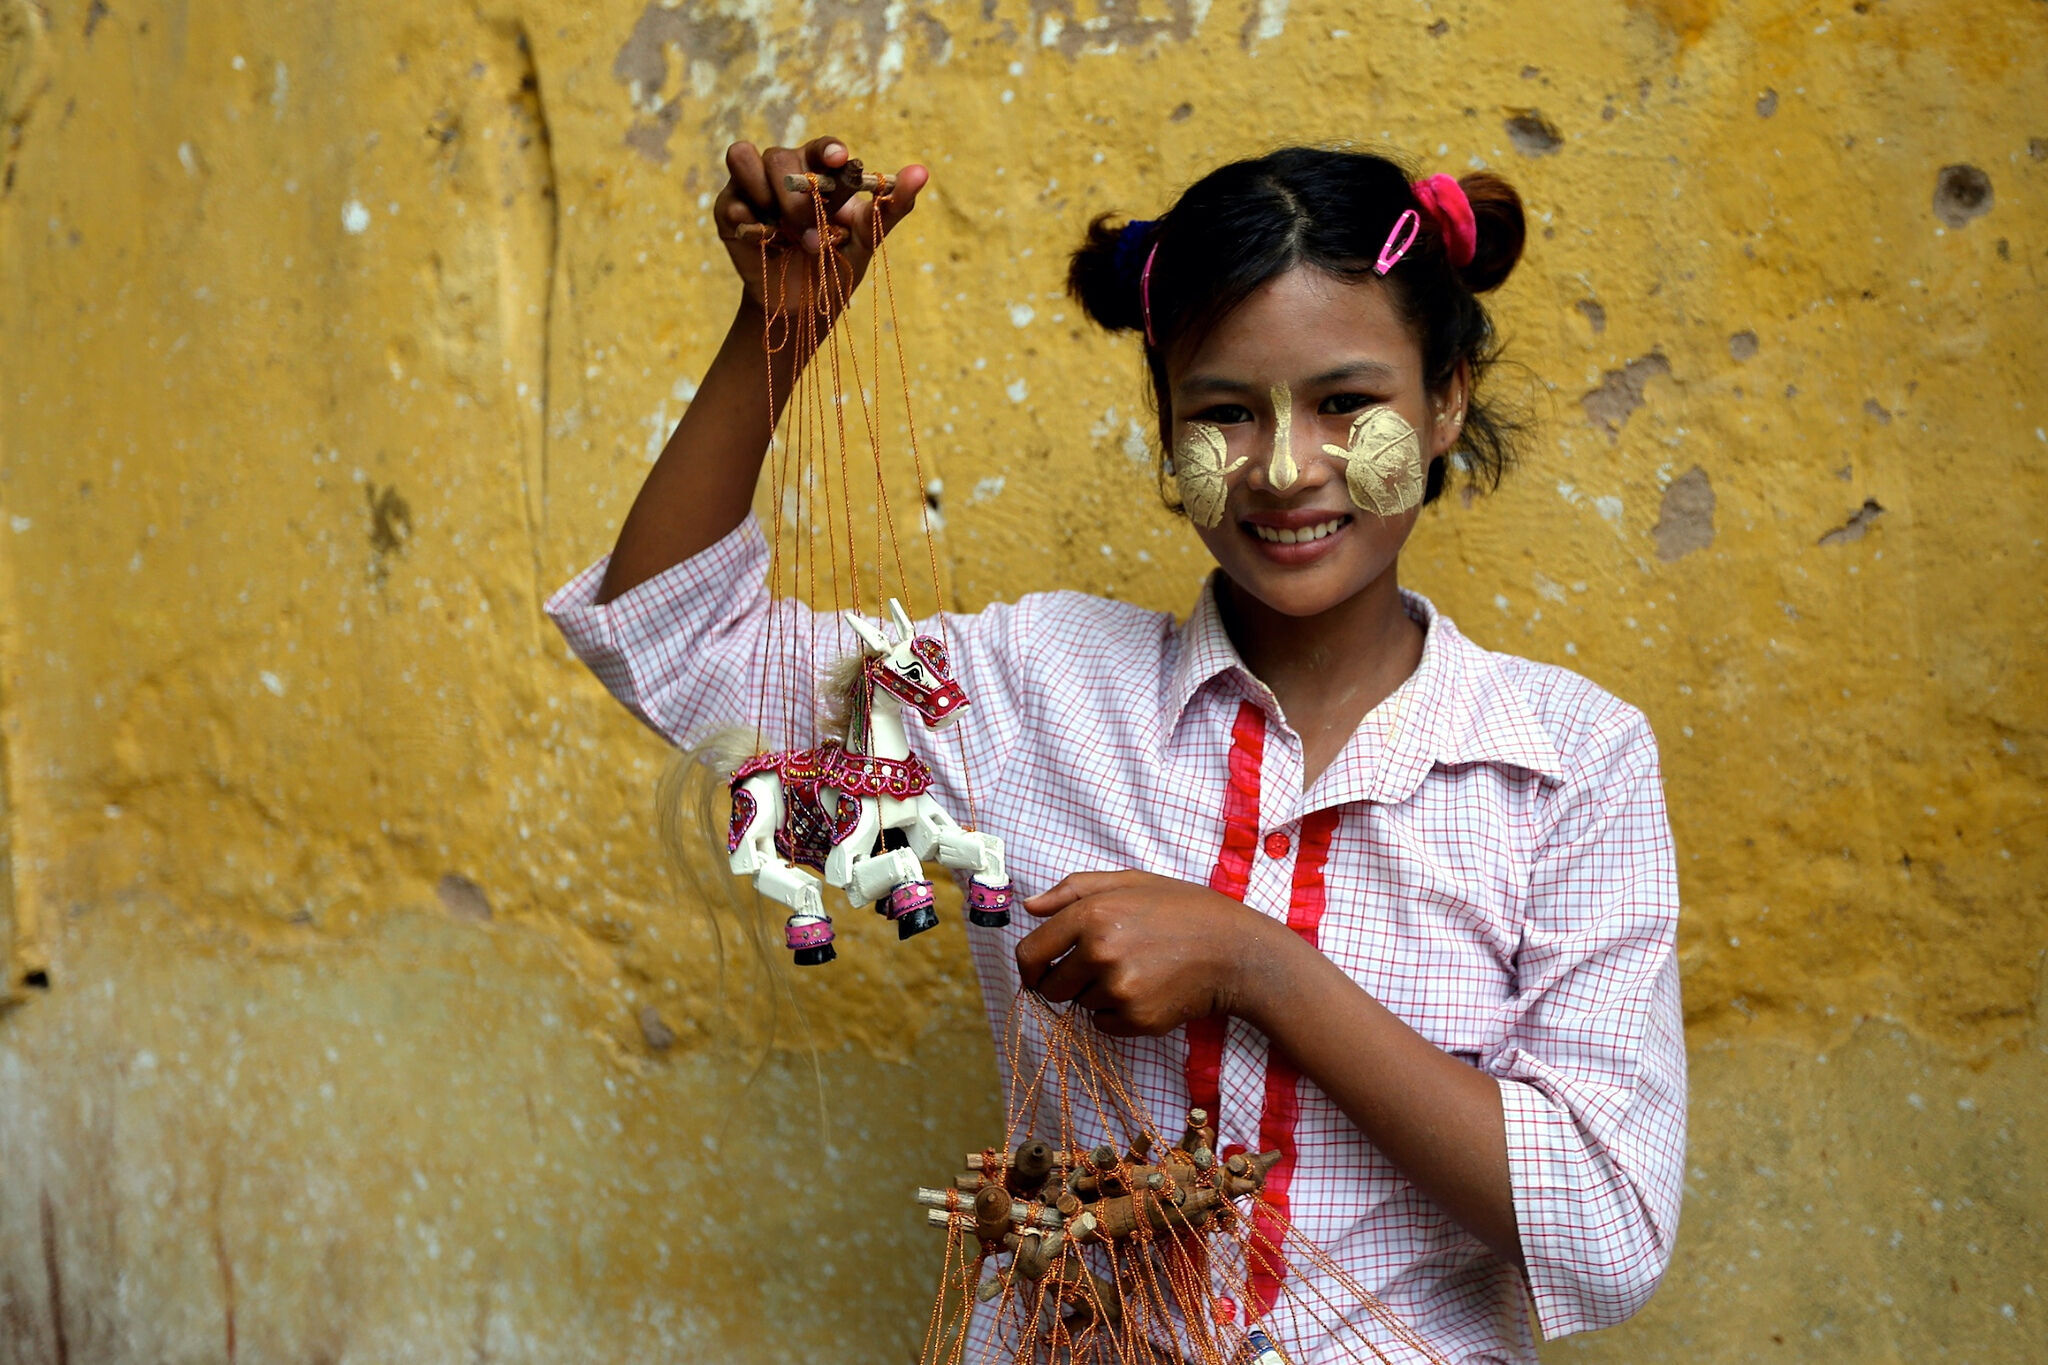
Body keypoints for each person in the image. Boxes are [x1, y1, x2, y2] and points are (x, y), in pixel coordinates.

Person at [547, 137, 1685, 1364]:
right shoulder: (1031, 689)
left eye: (1346, 403)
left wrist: (1261, 968)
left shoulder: (1568, 764)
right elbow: (675, 640)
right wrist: (773, 333)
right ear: (1163, 424)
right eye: (1223, 412)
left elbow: (1603, 1226)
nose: (1286, 467)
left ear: (1446, 396)